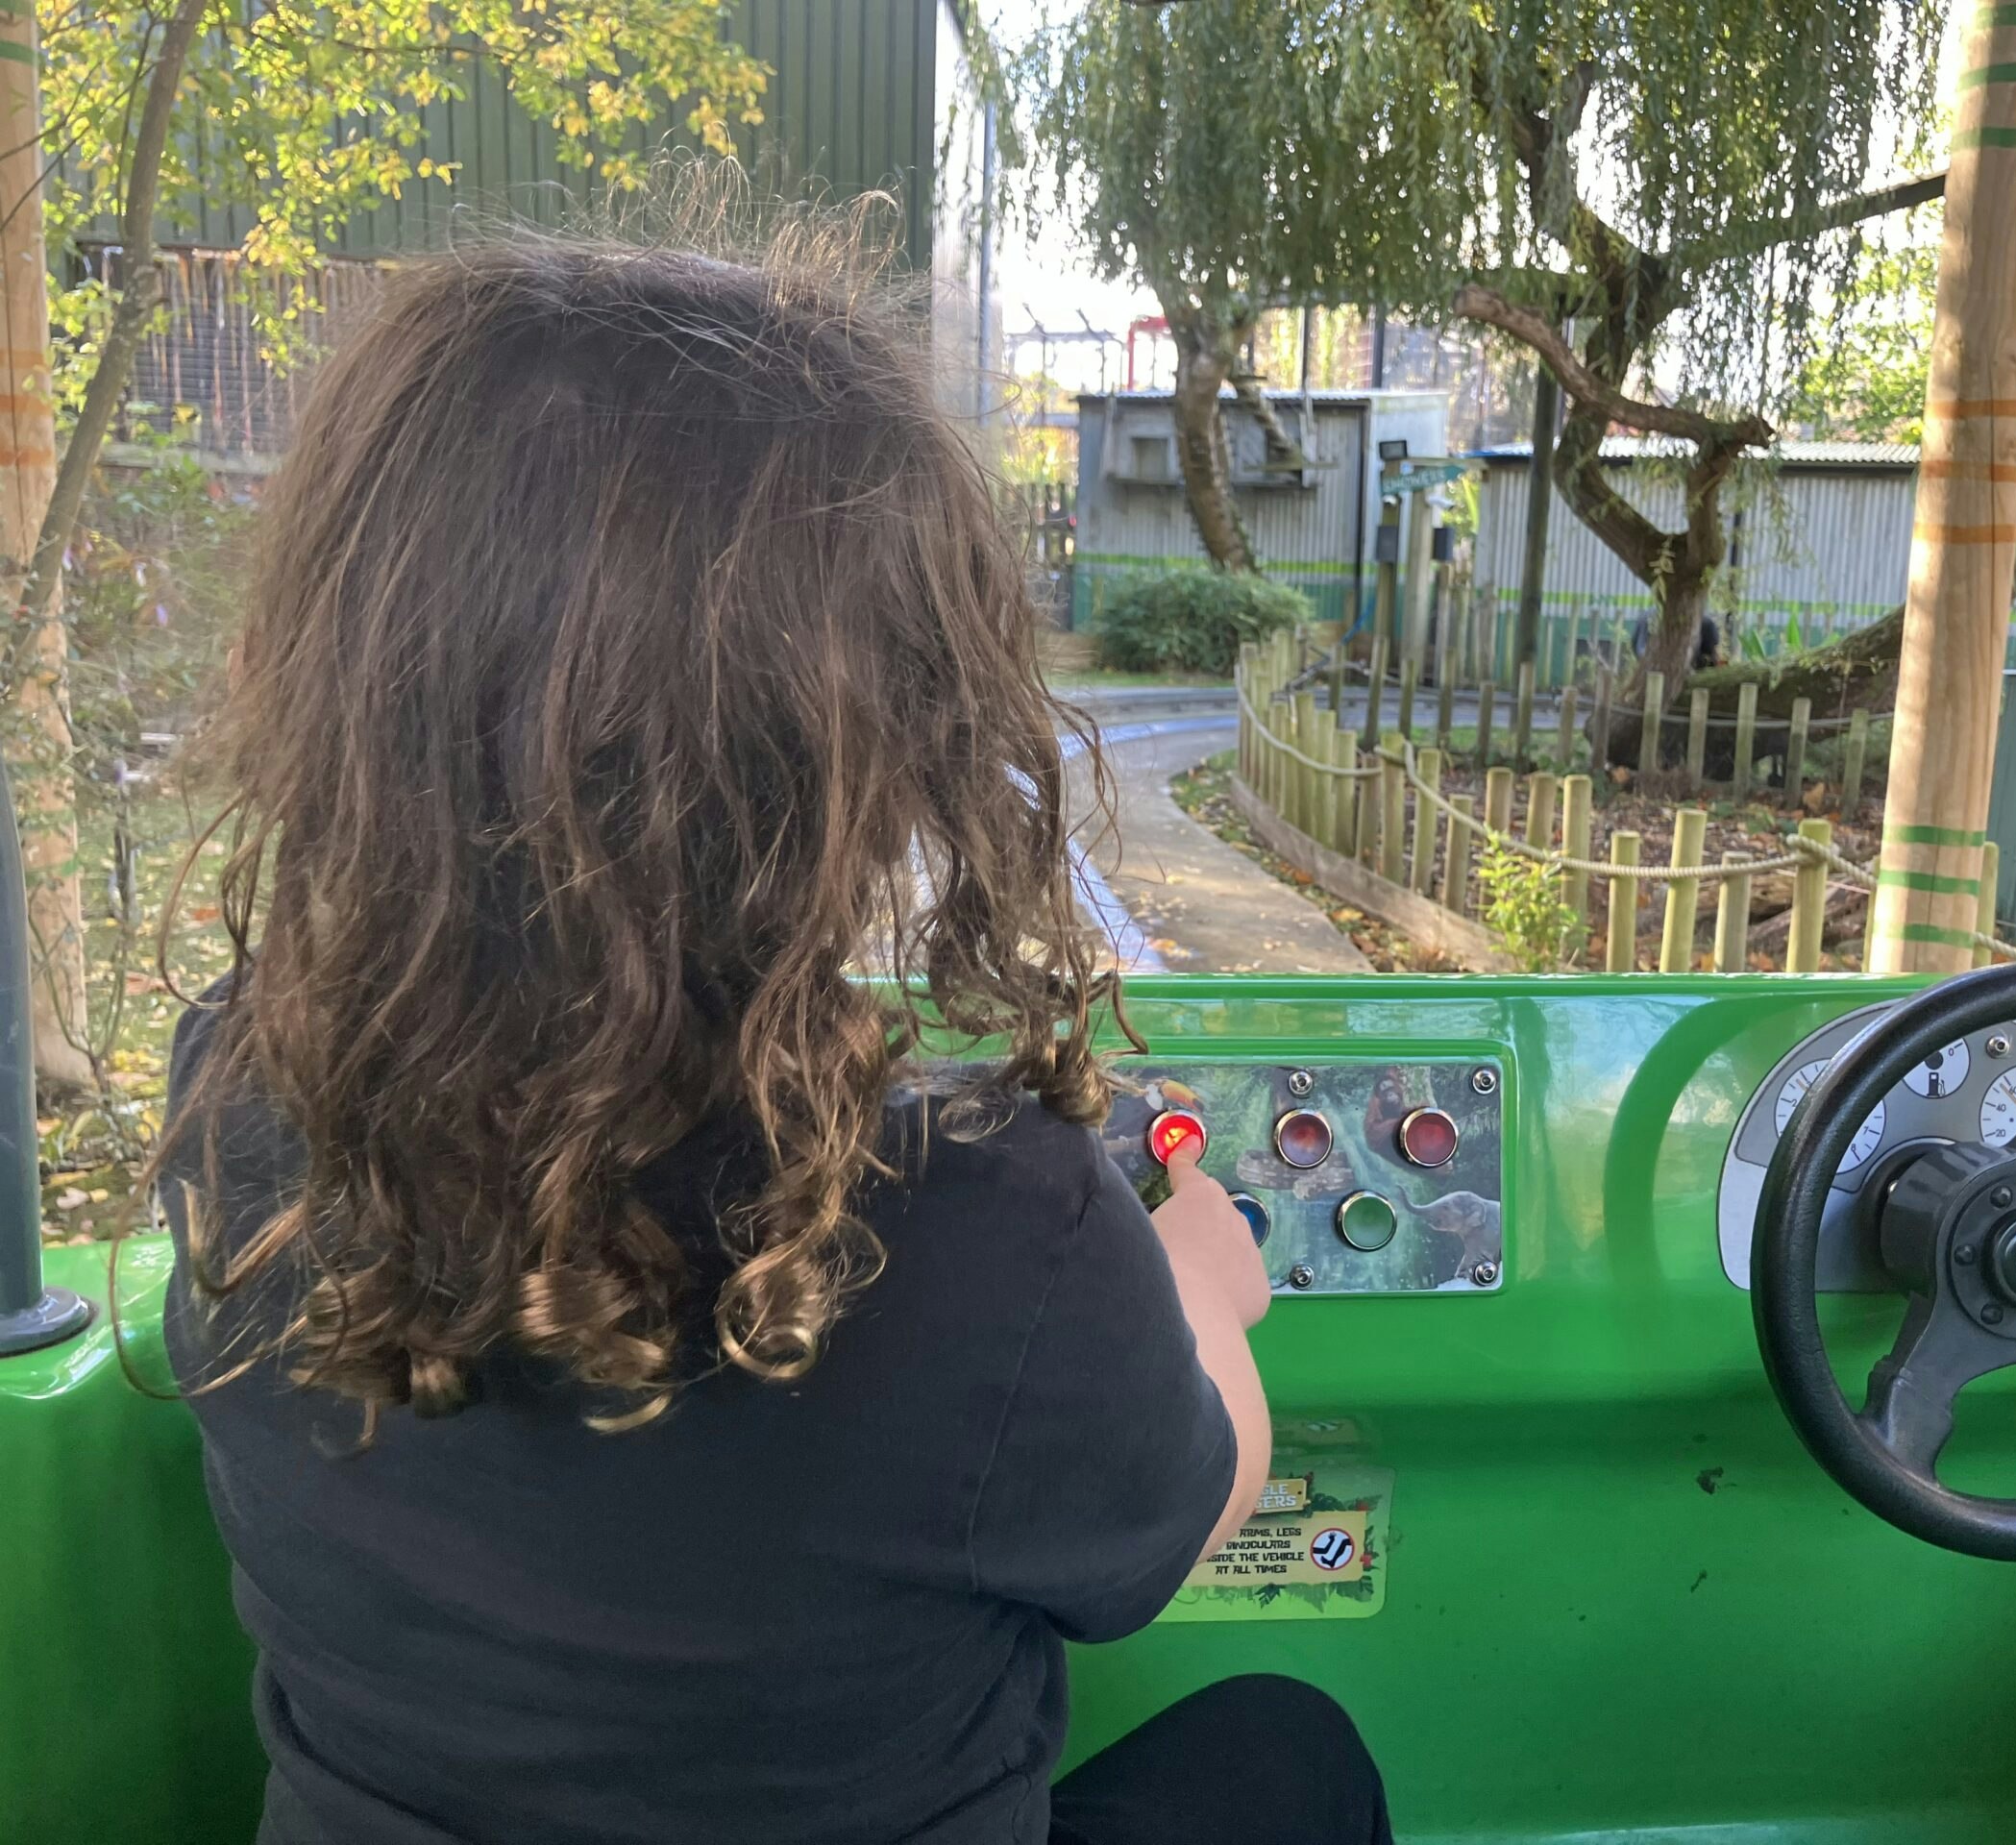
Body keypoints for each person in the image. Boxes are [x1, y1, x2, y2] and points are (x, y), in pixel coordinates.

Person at [151, 227, 1392, 1845]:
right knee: (1292, 1753)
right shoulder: (989, 1221)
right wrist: (1209, 1295)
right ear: (876, 765)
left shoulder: (242, 1096)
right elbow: (1174, 1525)